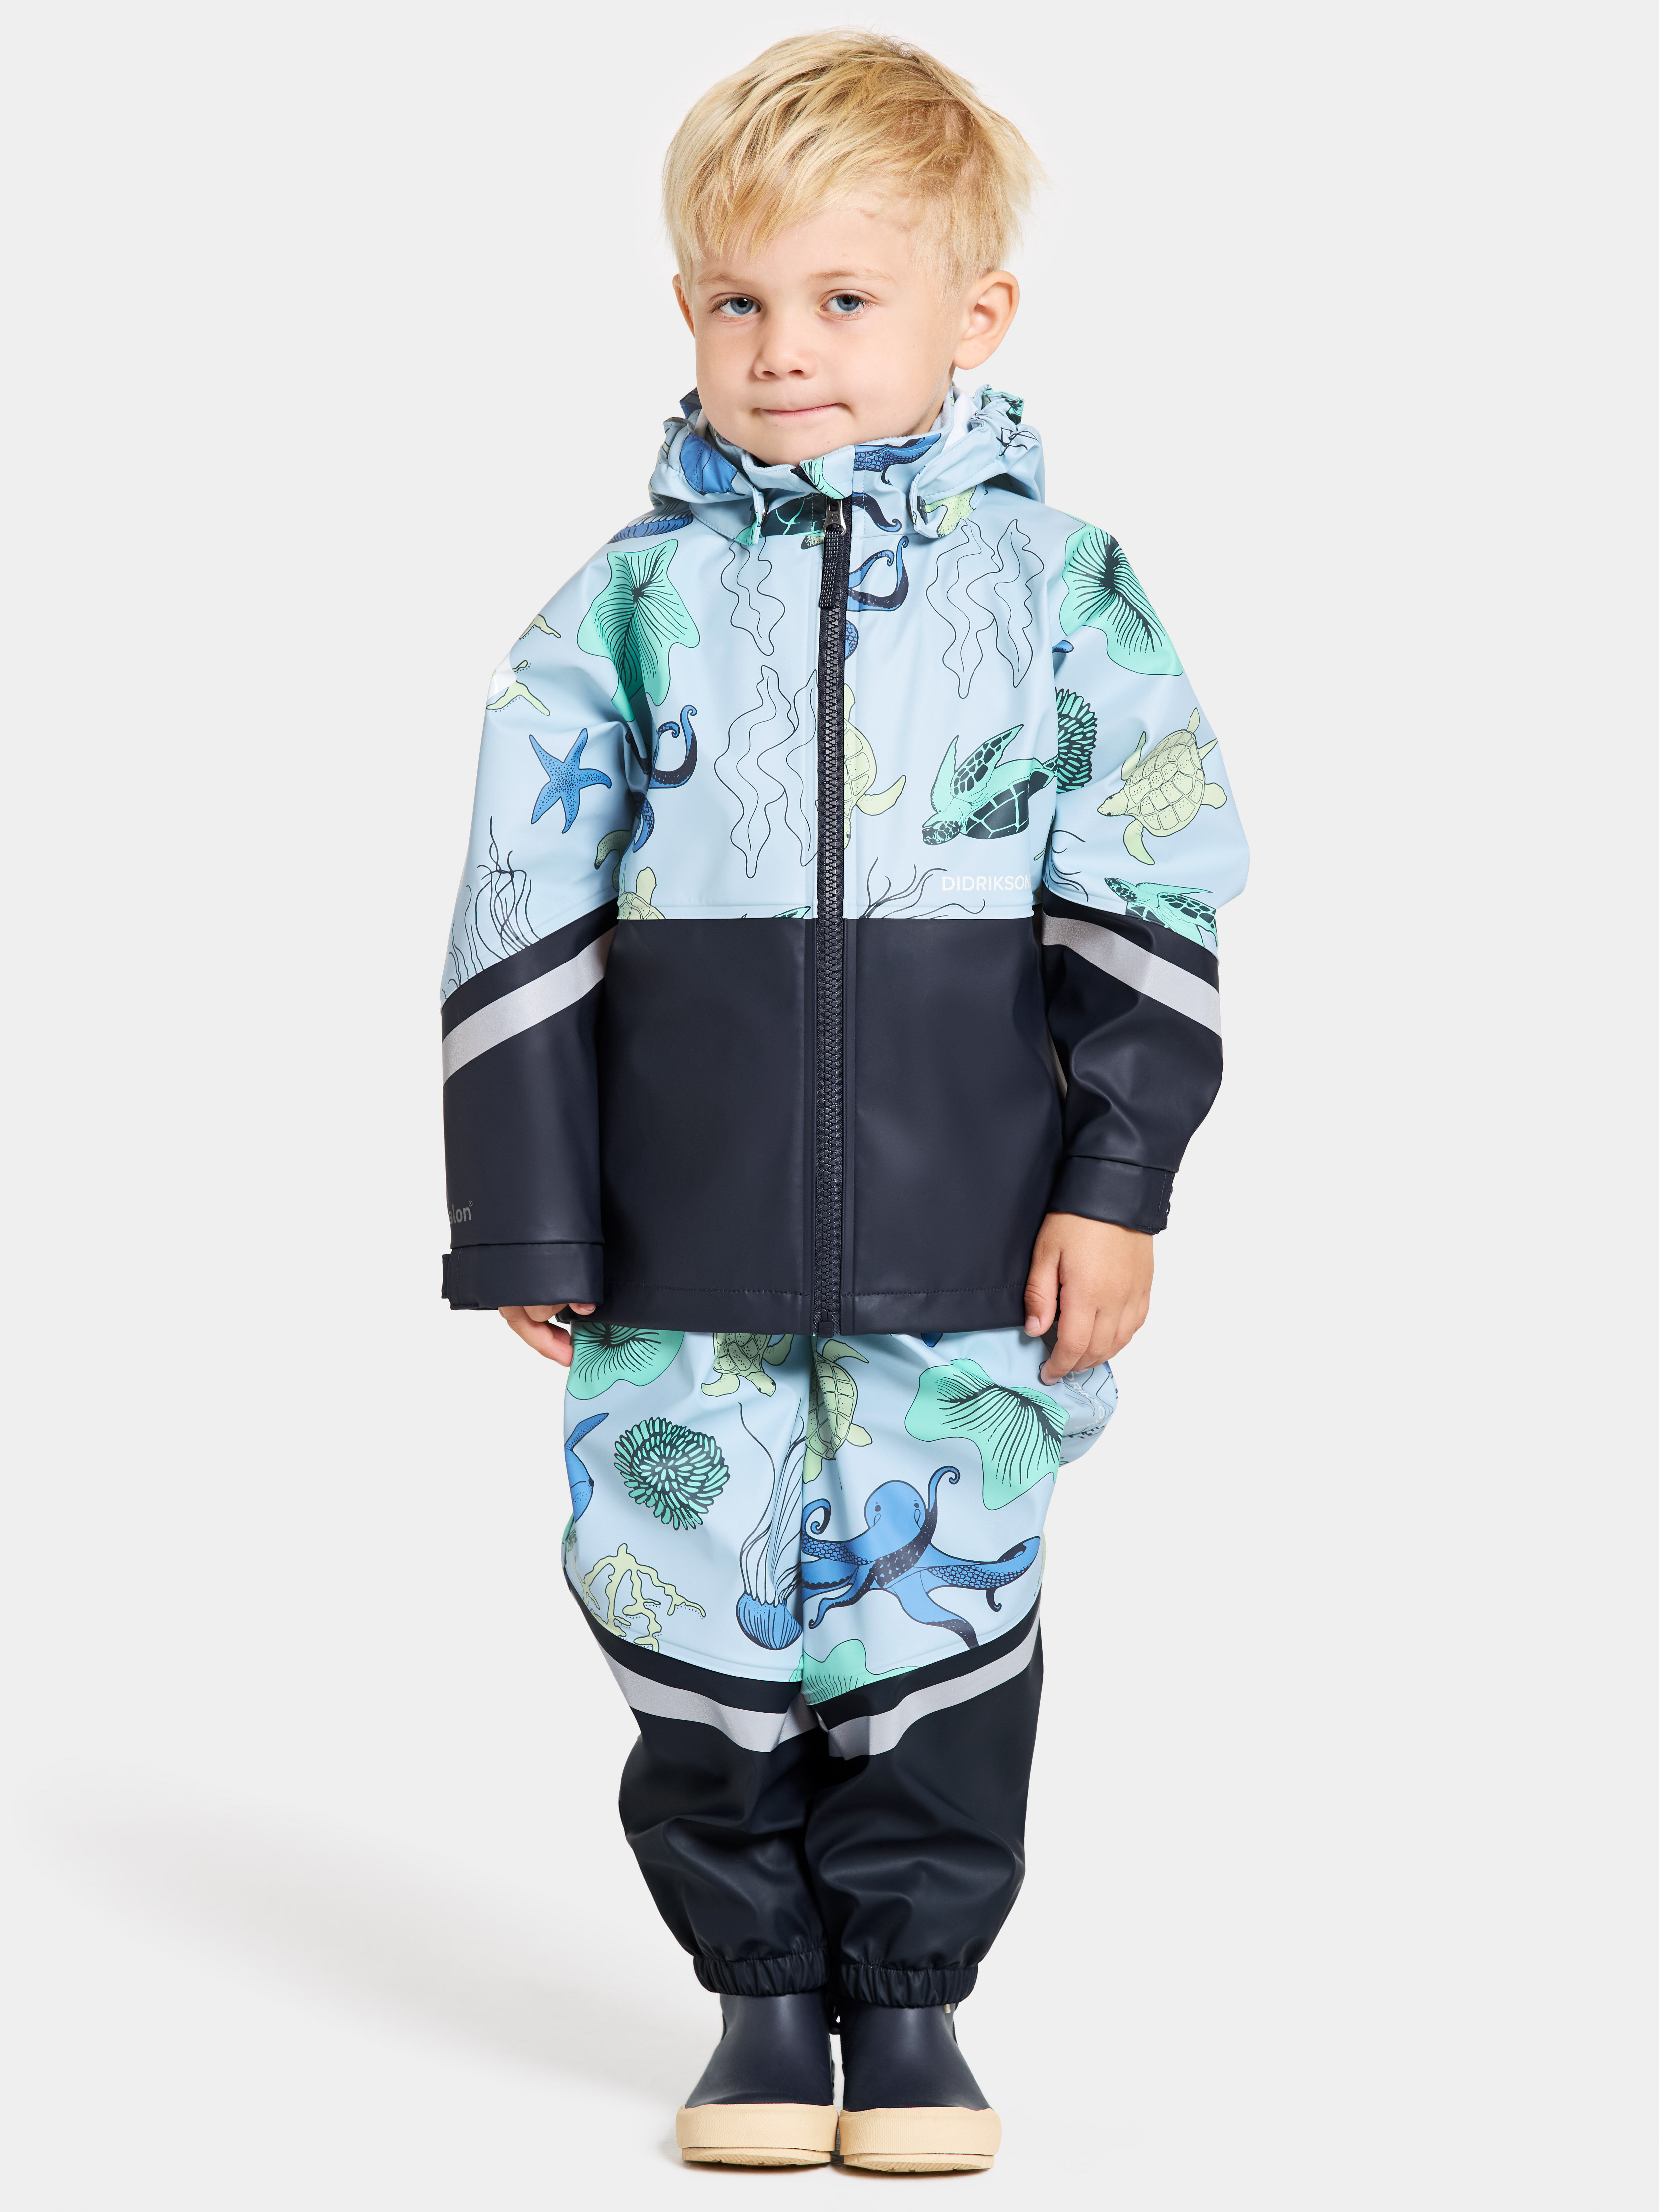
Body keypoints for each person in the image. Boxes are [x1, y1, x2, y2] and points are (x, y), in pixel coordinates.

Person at [439, 31, 1247, 2175]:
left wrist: (1117, 1181)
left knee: (947, 1609)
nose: (781, 347)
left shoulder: (1058, 589)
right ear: (681, 309)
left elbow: (1146, 883)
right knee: (682, 1602)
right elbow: (516, 902)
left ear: (977, 315)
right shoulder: (624, 605)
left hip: (969, 1234)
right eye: (736, 300)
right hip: (677, 1243)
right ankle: (756, 1997)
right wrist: (527, 1212)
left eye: (841, 297)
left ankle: (906, 2010)